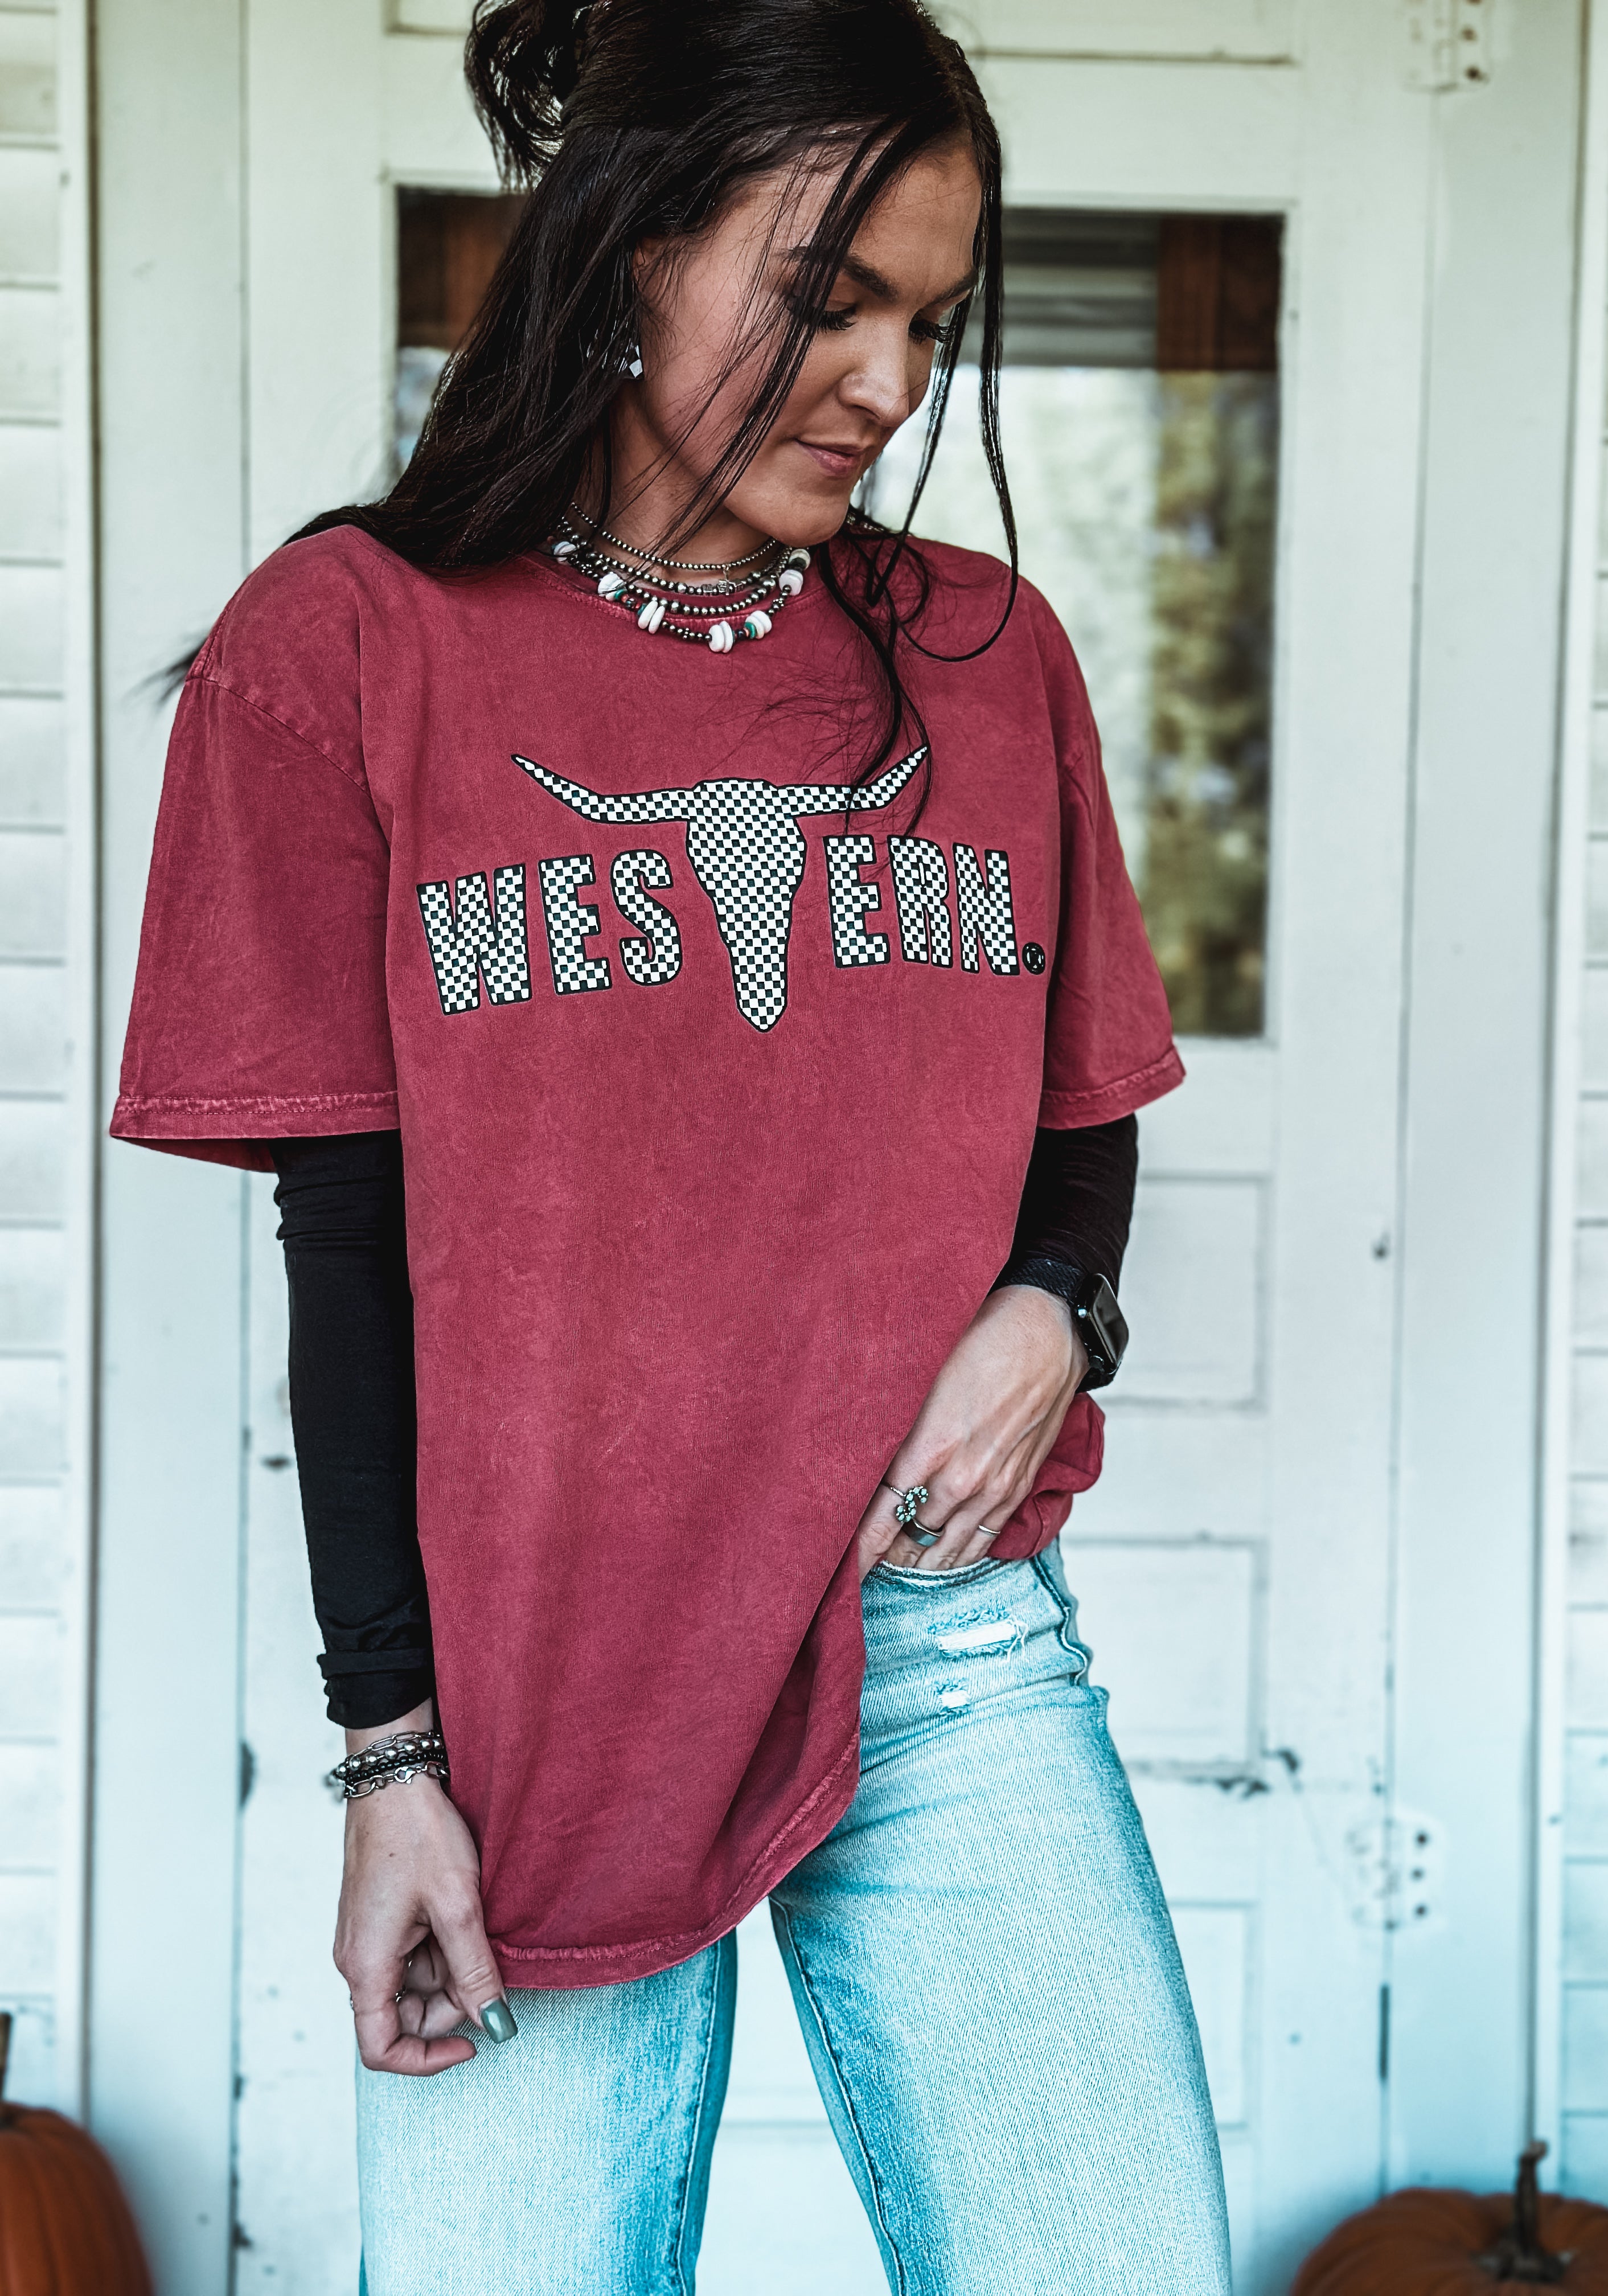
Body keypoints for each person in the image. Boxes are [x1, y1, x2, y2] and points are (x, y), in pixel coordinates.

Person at [112, 1, 1231, 2289]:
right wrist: (388, 1759)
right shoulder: (350, 650)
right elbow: (354, 1251)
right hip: (546, 1688)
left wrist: (1060, 1306)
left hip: (937, 1626)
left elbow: (1078, 1101)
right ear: (634, 245)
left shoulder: (988, 659)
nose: (890, 382)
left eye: (932, 321)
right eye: (827, 299)